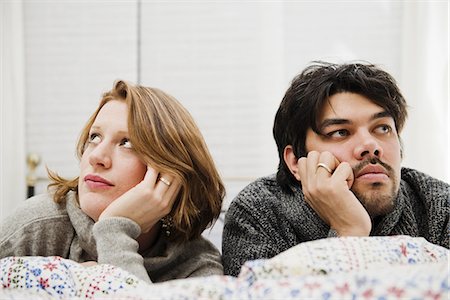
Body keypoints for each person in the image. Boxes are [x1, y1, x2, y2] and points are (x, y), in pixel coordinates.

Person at [222, 61, 450, 276]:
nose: (371, 145)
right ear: (295, 162)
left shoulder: (439, 207)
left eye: (382, 128)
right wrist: (348, 231)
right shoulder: (258, 213)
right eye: (340, 132)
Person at [0, 80, 226, 283]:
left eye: (127, 143)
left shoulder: (198, 268)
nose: (96, 157)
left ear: (169, 173)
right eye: (94, 137)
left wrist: (114, 232)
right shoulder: (38, 225)